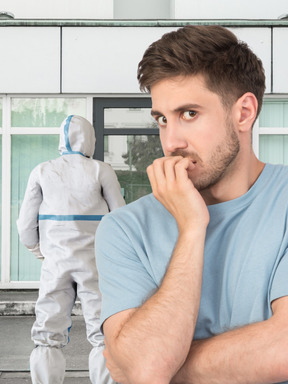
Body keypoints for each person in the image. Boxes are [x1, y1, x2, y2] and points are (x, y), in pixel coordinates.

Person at [95, 25, 288, 384]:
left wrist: (167, 366)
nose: (171, 142)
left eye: (189, 114)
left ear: (244, 112)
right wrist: (192, 229)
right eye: (162, 119)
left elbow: (283, 349)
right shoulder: (124, 229)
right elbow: (147, 367)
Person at [17, 115, 125, 384]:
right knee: (103, 334)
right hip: (95, 264)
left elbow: (25, 226)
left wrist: (40, 252)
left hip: (55, 263)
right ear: (90, 139)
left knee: (47, 333)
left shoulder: (42, 171)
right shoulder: (102, 170)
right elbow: (120, 217)